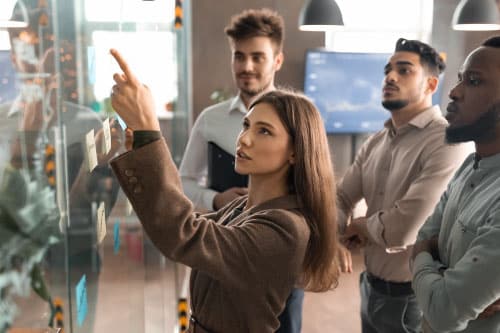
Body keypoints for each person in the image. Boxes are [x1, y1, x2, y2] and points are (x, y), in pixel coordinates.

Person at [109, 47, 340, 332]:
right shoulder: (245, 206)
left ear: (295, 151)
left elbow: (182, 234)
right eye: (246, 125)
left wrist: (149, 132)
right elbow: (185, 225)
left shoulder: (286, 228)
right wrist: (143, 150)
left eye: (263, 131)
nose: (244, 139)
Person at [179, 9, 306, 332]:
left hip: (279, 257)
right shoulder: (211, 118)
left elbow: (316, 186)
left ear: (277, 60)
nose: (246, 67)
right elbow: (185, 182)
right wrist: (217, 199)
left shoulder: (300, 120)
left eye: (257, 57)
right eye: (239, 56)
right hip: (226, 246)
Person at [0, 1, 121, 330]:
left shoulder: (88, 124)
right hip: (15, 276)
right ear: (13, 55)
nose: (42, 61)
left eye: (51, 48)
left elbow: (98, 214)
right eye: (30, 48)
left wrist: (95, 171)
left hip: (77, 261)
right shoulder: (1, 124)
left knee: (78, 326)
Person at [337, 38, 471, 333]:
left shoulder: (448, 140)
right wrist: (336, 233)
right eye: (387, 70)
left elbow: (405, 227)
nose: (390, 77)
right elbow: (341, 197)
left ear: (431, 85)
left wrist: (359, 227)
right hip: (369, 285)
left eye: (404, 70)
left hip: (414, 299)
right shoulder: (374, 142)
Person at [411, 36, 500, 333]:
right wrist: (431, 256)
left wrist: (424, 255)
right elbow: (424, 236)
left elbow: (444, 311)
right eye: (461, 78)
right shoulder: (468, 165)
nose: (454, 92)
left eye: (473, 82)